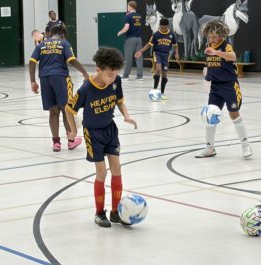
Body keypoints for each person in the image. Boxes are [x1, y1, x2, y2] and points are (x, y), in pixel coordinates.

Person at [65, 47, 137, 228]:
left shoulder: (116, 82)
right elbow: (69, 109)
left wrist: (126, 116)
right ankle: (99, 213)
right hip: (93, 133)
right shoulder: (87, 87)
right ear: (99, 70)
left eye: (115, 74)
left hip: (110, 130)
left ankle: (115, 212)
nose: (112, 78)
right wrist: (73, 131)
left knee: (117, 168)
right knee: (102, 172)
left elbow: (120, 101)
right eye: (109, 75)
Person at [195, 20, 252, 158]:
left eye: (214, 37)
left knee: (234, 114)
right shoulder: (209, 45)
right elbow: (211, 63)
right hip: (215, 87)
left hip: (229, 85)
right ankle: (210, 148)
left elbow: (232, 57)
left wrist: (215, 52)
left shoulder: (226, 46)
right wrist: (206, 71)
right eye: (209, 36)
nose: (211, 39)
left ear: (221, 36)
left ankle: (245, 146)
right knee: (210, 116)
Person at [29, 25, 89, 152]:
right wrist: (84, 73)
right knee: (66, 110)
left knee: (53, 111)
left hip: (45, 79)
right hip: (61, 78)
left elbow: (32, 61)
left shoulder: (42, 45)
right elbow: (72, 60)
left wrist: (33, 81)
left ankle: (56, 143)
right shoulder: (64, 43)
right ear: (63, 35)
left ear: (50, 34)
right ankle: (71, 141)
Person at [135, 18, 179, 100]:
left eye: (164, 28)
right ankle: (155, 89)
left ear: (167, 26)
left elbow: (175, 45)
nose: (163, 29)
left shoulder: (171, 34)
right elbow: (149, 44)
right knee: (158, 69)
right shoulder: (156, 34)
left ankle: (162, 92)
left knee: (165, 74)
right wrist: (140, 51)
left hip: (166, 55)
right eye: (161, 27)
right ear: (159, 26)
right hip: (157, 53)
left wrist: (177, 53)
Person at [117, 1, 144, 80]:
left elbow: (127, 27)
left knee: (128, 58)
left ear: (130, 7)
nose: (127, 8)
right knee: (139, 57)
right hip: (139, 39)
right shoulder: (139, 16)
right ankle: (140, 76)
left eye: (128, 6)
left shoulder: (128, 17)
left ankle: (126, 75)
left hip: (130, 39)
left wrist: (120, 32)